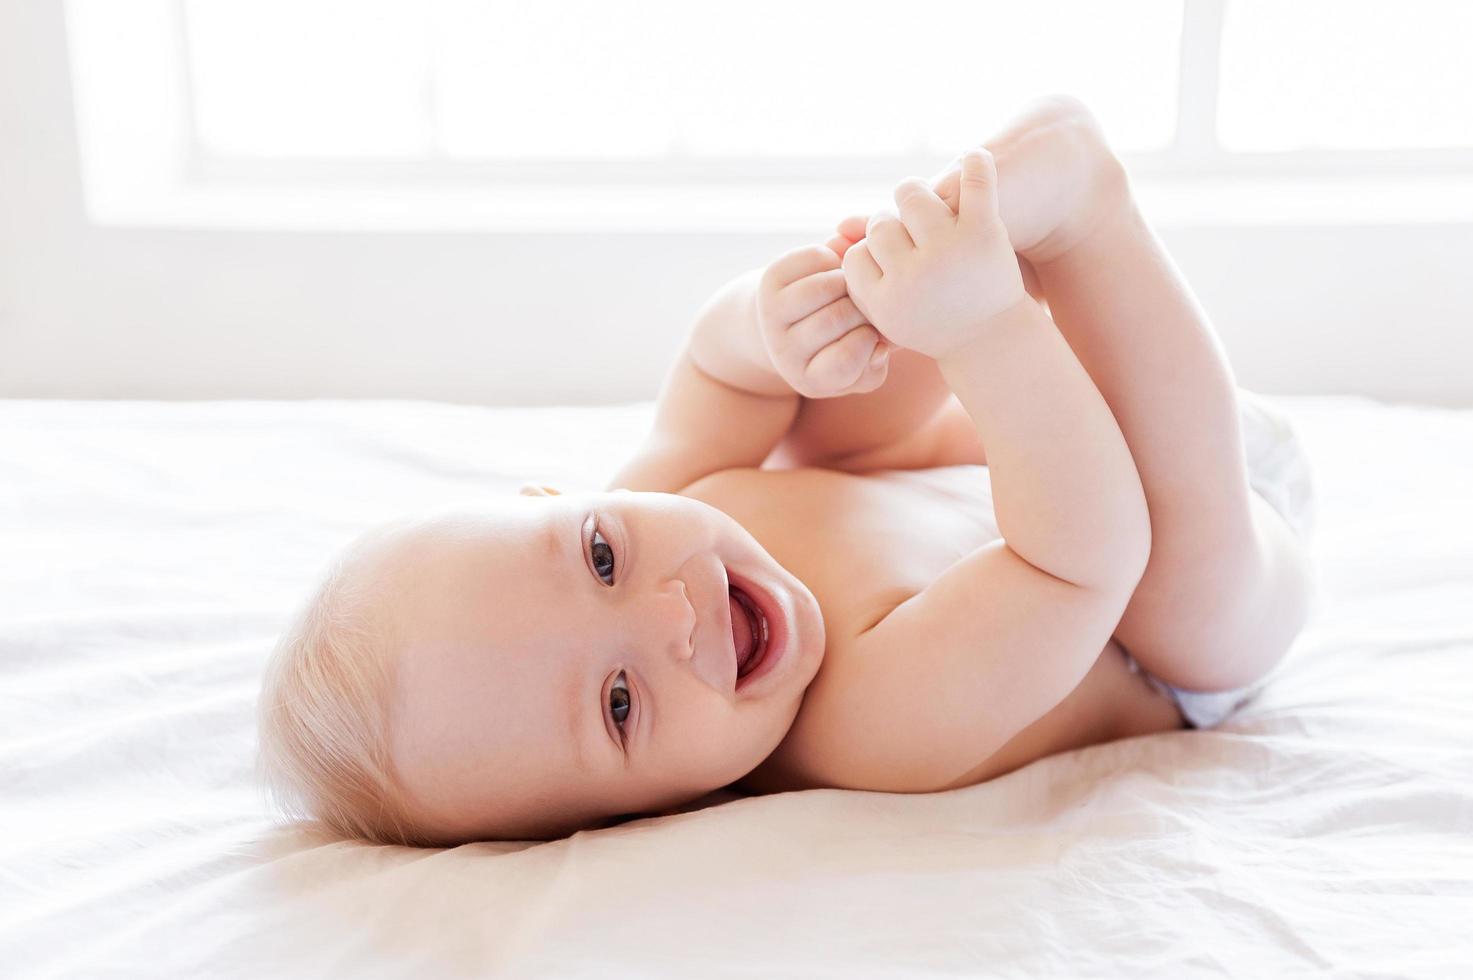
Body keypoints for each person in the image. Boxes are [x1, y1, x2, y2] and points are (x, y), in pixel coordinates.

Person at [256, 96, 1318, 846]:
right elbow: (1086, 560)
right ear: (647, 815)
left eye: (597, 553)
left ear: (564, 500)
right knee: (1188, 602)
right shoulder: (868, 727)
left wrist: (778, 329)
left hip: (1005, 448)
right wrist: (988, 331)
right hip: (1162, 607)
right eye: (621, 702)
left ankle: (941, 246)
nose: (675, 611)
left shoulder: (668, 494)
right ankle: (1085, 216)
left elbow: (718, 364)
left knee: (823, 420)